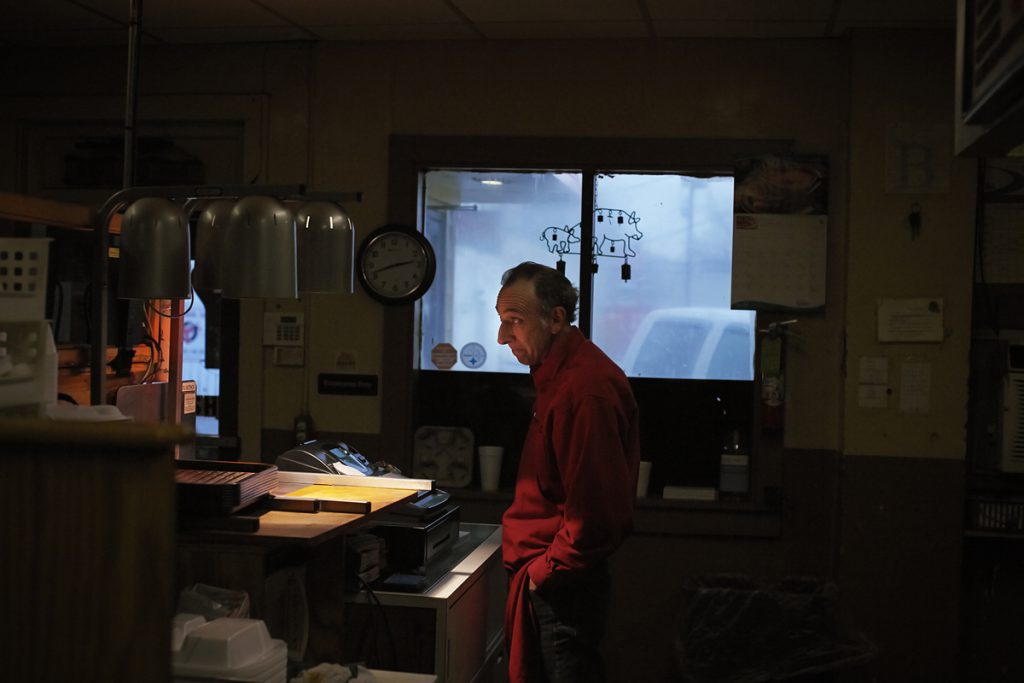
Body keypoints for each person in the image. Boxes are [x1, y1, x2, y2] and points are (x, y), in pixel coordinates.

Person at [495, 261, 641, 683]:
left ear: (556, 318)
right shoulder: (557, 377)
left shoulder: (585, 389)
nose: (503, 337)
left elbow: (595, 516)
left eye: (515, 322)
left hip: (562, 585)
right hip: (552, 577)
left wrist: (544, 574)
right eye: (502, 322)